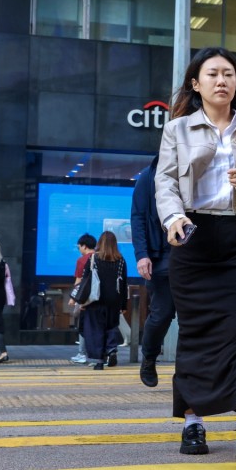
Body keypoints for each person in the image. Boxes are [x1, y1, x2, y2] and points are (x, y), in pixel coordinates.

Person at [155, 46, 236, 460]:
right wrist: (173, 217)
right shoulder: (177, 129)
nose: (221, 80)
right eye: (212, 74)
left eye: (228, 74)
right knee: (196, 331)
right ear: (196, 83)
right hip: (192, 235)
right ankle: (193, 423)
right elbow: (165, 181)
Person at [131, 156, 175, 387]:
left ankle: (190, 370)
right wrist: (142, 254)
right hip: (161, 256)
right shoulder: (147, 177)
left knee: (194, 316)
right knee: (162, 314)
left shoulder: (192, 173)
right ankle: (149, 358)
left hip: (191, 255)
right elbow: (137, 218)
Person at [78, 231, 128, 370]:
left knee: (95, 329)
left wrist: (82, 301)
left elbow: (85, 281)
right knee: (111, 326)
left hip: (95, 300)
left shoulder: (93, 258)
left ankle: (98, 361)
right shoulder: (121, 260)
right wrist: (123, 305)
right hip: (114, 300)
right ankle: (111, 349)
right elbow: (124, 284)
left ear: (99, 243)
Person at [69, 234, 97, 364]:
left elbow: (78, 281)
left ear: (84, 246)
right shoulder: (100, 257)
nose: (79, 249)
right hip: (98, 296)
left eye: (79, 246)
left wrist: (74, 298)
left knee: (83, 325)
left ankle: (82, 353)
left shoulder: (82, 260)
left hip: (85, 297)